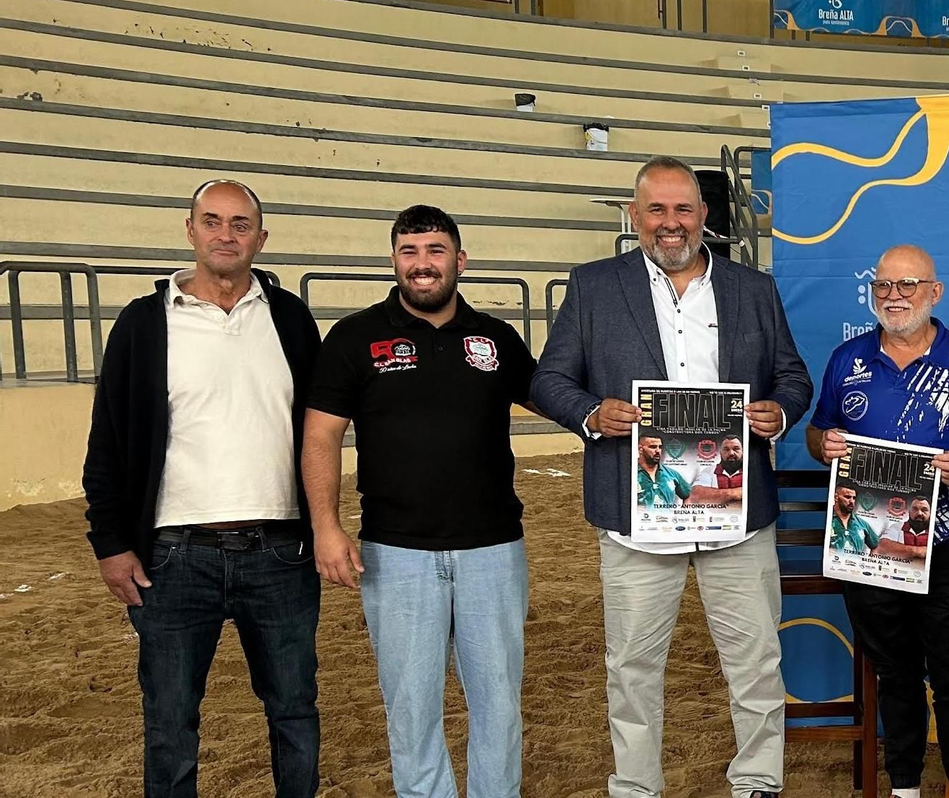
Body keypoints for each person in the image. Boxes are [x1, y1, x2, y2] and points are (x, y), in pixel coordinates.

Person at [530, 156, 812, 798]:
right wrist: (591, 414)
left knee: (757, 662)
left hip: (737, 516)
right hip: (635, 515)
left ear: (704, 217)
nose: (670, 223)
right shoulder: (595, 285)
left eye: (683, 209)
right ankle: (635, 786)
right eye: (655, 209)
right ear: (635, 216)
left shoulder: (753, 289)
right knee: (632, 666)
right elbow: (549, 379)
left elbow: (793, 377)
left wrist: (780, 410)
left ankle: (758, 780)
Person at [82, 179, 323, 797]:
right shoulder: (142, 323)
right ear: (190, 231)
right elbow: (107, 441)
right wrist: (110, 543)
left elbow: (321, 431)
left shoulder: (292, 320)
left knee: (294, 712)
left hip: (280, 554)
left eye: (241, 224)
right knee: (169, 724)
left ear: (261, 239)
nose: (226, 234)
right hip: (172, 558)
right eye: (212, 221)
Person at [301, 205, 538, 798]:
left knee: (499, 704)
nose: (422, 264)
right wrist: (326, 529)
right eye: (410, 252)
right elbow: (321, 436)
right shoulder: (354, 338)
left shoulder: (498, 339)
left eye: (435, 251)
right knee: (410, 709)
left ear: (459, 261)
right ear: (394, 262)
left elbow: (558, 397)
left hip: (493, 550)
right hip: (396, 553)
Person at [806, 244, 949, 798]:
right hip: (866, 539)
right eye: (884, 287)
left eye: (907, 286)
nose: (894, 297)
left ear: (934, 292)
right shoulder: (847, 360)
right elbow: (816, 429)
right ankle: (904, 787)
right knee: (893, 673)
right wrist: (822, 445)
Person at [635, 430, 693, 509]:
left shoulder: (671, 474)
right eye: (653, 447)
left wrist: (683, 516)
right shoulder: (630, 473)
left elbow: (688, 495)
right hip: (640, 520)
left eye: (660, 447)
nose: (658, 451)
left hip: (667, 520)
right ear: (640, 449)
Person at [828, 485, 876, 556]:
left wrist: (869, 563)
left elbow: (876, 546)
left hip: (853, 565)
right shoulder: (826, 518)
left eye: (854, 498)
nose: (851, 501)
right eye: (847, 497)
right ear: (836, 497)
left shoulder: (862, 524)